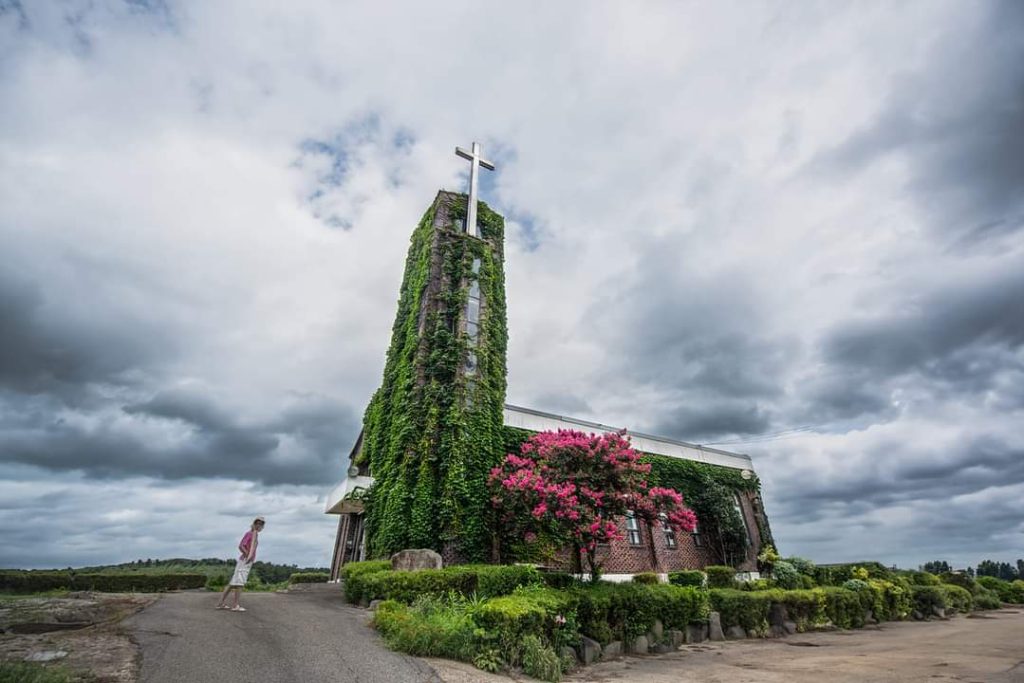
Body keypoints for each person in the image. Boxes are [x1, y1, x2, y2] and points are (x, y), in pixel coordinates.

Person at [216, 516, 265, 612]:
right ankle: (235, 605)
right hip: (244, 562)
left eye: (261, 524)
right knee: (239, 583)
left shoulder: (254, 534)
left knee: (233, 583)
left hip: (244, 561)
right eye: (258, 523)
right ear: (254, 524)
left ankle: (220, 603)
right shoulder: (249, 534)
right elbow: (241, 545)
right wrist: (248, 556)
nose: (259, 526)